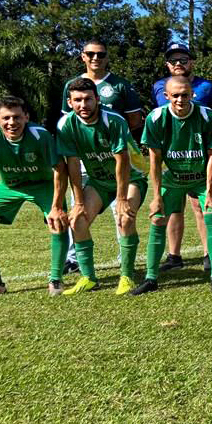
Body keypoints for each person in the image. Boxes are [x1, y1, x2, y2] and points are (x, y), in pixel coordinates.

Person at [0, 97, 69, 299]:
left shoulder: (40, 135)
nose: (12, 123)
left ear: (26, 117)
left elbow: (60, 169)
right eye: (6, 118)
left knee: (57, 222)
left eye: (17, 117)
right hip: (9, 186)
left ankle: (56, 279)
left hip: (43, 185)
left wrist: (57, 206)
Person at [56, 78, 147, 295]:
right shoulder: (65, 125)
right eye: (77, 100)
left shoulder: (113, 120)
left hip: (130, 179)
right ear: (69, 102)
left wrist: (122, 199)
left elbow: (122, 161)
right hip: (97, 181)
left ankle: (126, 276)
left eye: (88, 99)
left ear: (97, 99)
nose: (83, 105)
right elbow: (73, 165)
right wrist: (78, 202)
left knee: (124, 218)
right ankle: (88, 278)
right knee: (77, 219)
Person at [135, 76, 212, 295]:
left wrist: (210, 192)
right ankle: (151, 278)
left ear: (192, 94)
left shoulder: (206, 115)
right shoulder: (156, 118)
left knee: (211, 216)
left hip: (201, 179)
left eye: (185, 94)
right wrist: (156, 197)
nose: (181, 99)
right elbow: (154, 161)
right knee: (157, 219)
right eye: (175, 95)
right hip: (172, 179)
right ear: (166, 96)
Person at [150, 42, 212, 274]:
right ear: (167, 65)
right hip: (173, 159)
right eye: (174, 60)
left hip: (198, 154)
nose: (179, 64)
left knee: (200, 207)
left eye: (183, 59)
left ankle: (208, 255)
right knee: (174, 209)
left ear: (191, 62)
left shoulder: (206, 86)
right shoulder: (158, 86)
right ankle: (174, 255)